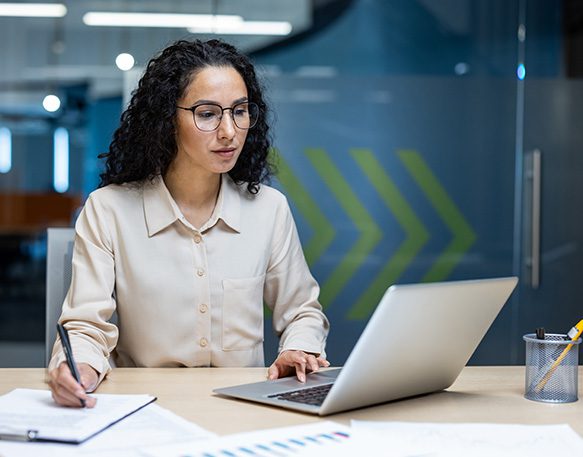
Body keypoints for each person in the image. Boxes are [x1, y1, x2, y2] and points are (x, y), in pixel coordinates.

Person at [48, 39, 330, 407]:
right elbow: (85, 325)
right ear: (167, 119)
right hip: (142, 406)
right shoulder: (109, 210)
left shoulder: (268, 209)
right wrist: (79, 367)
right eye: (208, 113)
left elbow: (302, 311)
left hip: (244, 410)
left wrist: (299, 348)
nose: (229, 131)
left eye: (240, 111)